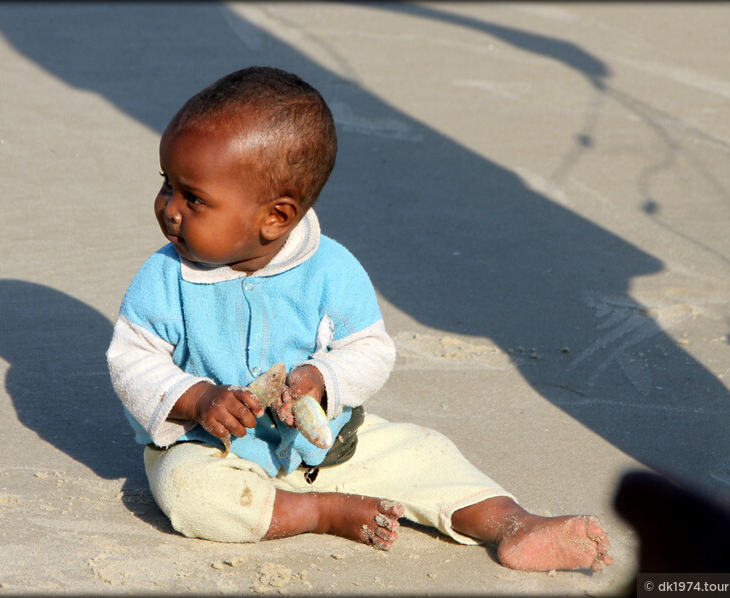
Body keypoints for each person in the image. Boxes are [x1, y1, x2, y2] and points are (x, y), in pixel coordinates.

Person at [107, 66, 613, 572]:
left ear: (275, 218)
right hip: (215, 452)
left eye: (193, 197)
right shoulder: (165, 278)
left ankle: (512, 523)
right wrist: (197, 398)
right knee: (186, 491)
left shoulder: (330, 270)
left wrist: (320, 382)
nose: (169, 208)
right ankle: (320, 511)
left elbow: (370, 350)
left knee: (426, 453)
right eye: (167, 184)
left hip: (329, 449)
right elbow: (131, 359)